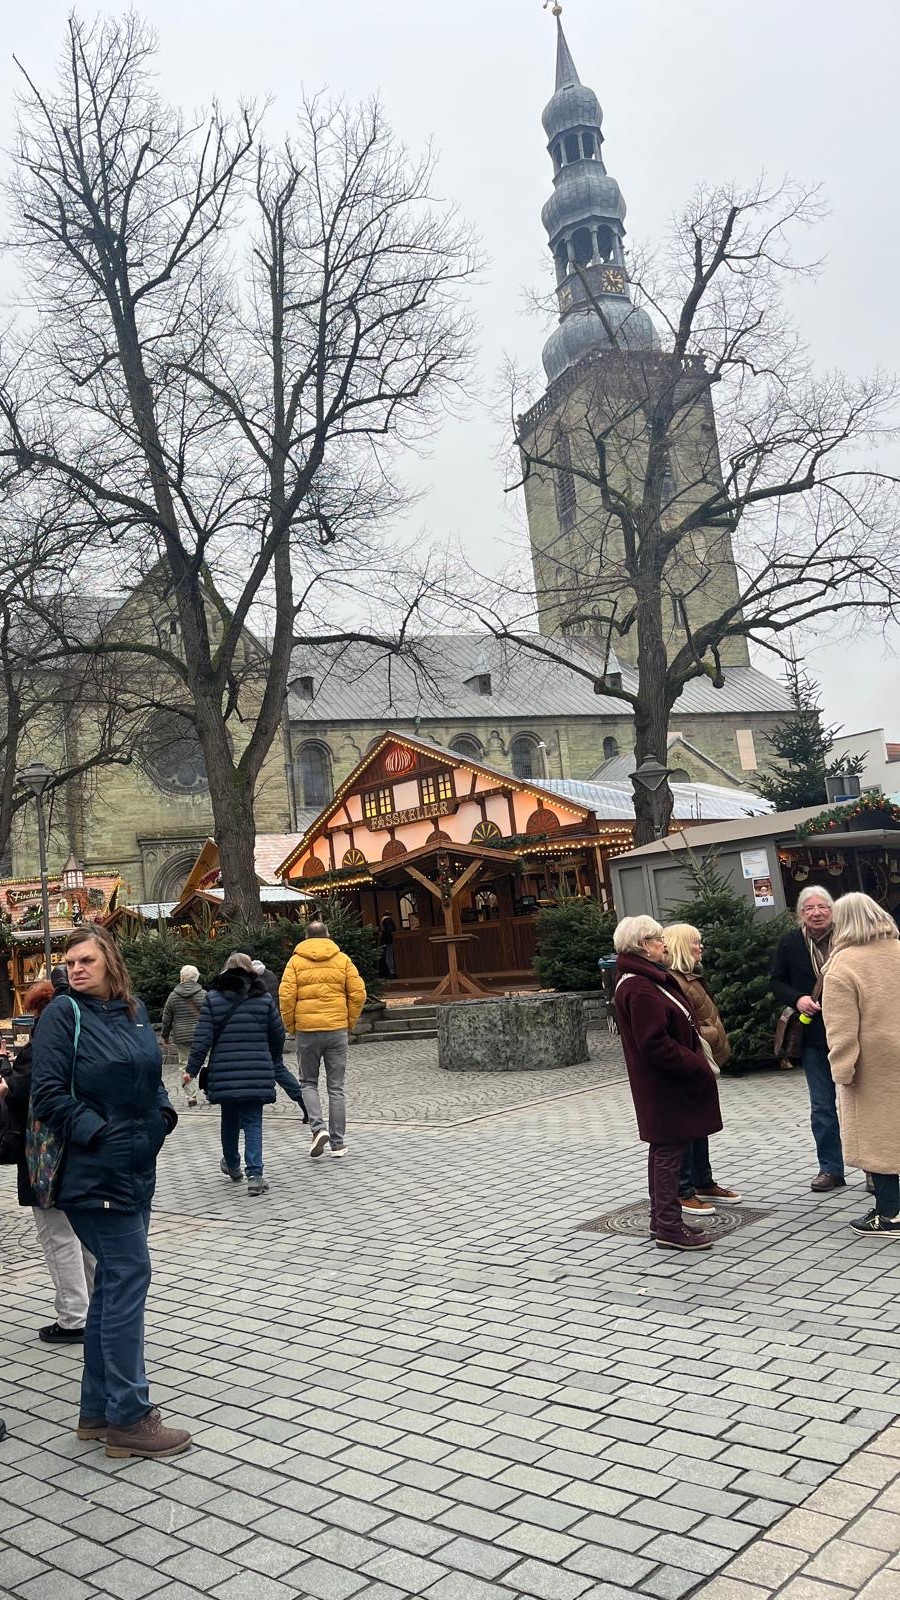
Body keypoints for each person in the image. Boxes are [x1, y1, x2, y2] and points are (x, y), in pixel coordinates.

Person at [30, 924, 188, 1459]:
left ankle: (97, 1412)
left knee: (113, 1288)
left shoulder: (133, 1010)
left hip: (137, 1166)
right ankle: (129, 1417)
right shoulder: (61, 1015)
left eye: (86, 961)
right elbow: (47, 1094)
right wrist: (100, 1134)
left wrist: (162, 1114)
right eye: (71, 962)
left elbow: (150, 1072)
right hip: (92, 1173)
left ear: (109, 962)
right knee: (128, 1276)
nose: (76, 969)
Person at [613, 915, 722, 1252]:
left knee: (665, 1150)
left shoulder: (645, 979)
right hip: (665, 1084)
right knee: (668, 1152)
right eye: (658, 938)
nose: (663, 944)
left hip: (666, 1084)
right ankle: (669, 1227)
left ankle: (662, 1220)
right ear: (643, 945)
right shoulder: (638, 985)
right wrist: (696, 1063)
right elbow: (654, 1043)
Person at [0, 981, 96, 1342]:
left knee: (57, 1235)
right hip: (84, 1147)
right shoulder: (92, 1023)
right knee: (86, 1234)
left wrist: (7, 1075)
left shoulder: (49, 1033)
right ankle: (98, 1308)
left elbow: (30, 1090)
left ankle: (74, 1317)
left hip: (48, 1151)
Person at [823, 893, 900, 1236]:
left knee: (878, 1136)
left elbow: (841, 1029)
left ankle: (890, 1214)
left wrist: (842, 1070)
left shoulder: (843, 965)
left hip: (874, 1065)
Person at [184, 952, 284, 1196]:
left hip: (225, 1070)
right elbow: (278, 1033)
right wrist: (273, 1059)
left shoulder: (214, 998)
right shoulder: (263, 998)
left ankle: (232, 1165)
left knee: (229, 1120)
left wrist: (192, 1069)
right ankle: (256, 1175)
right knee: (252, 1121)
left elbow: (203, 1037)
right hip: (257, 1069)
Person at [664, 924, 742, 1215]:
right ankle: (684, 1189)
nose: (701, 948)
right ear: (684, 946)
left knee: (701, 1124)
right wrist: (710, 1036)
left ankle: (703, 1180)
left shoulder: (691, 976)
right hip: (693, 1061)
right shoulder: (675, 981)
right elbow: (686, 1026)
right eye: (696, 943)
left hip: (703, 1063)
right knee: (688, 1126)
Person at [771, 885, 844, 1192]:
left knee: (860, 1105)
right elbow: (775, 981)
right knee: (822, 1106)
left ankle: (873, 1169)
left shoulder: (846, 939)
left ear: (833, 910)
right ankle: (830, 1169)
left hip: (850, 1032)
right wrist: (798, 998)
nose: (816, 913)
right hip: (815, 1036)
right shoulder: (790, 943)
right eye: (809, 908)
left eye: (822, 907)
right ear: (800, 914)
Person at [279, 920, 366, 1160]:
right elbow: (359, 992)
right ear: (328, 936)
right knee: (336, 1087)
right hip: (336, 1028)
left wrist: (292, 1026)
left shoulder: (295, 961)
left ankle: (318, 1129)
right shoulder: (342, 960)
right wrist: (348, 1021)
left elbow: (286, 997)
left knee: (308, 1082)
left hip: (307, 1030)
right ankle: (338, 1143)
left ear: (306, 937)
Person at [160, 965, 205, 1107]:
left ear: (182, 977)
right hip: (201, 1035)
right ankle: (209, 1089)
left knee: (184, 1064)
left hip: (182, 1036)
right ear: (196, 977)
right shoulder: (203, 994)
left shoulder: (173, 995)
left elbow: (167, 1018)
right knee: (205, 1062)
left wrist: (165, 1036)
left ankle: (190, 1096)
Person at [379, 914, 397, 979]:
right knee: (389, 957)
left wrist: (383, 933)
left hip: (388, 941)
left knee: (389, 958)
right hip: (390, 941)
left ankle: (391, 972)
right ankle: (391, 972)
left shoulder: (385, 921)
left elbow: (389, 931)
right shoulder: (390, 920)